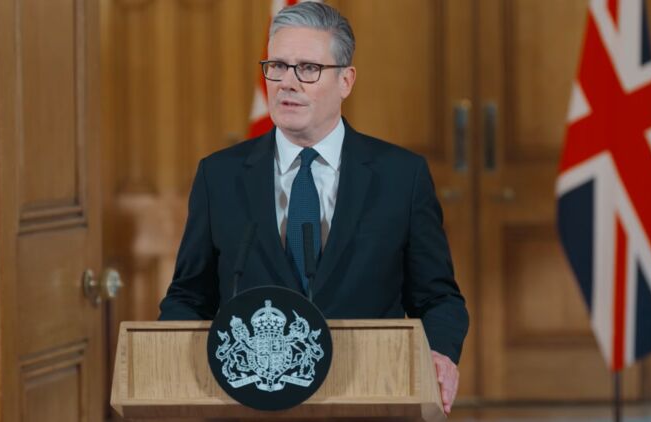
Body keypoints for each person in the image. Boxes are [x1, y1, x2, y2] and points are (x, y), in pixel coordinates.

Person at [159, 1, 468, 414]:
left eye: (308, 68)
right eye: (277, 66)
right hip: (251, 403)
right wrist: (170, 368)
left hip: (371, 394)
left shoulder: (402, 176)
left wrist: (441, 354)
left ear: (346, 81)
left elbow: (439, 297)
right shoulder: (219, 176)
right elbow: (188, 296)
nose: (287, 83)